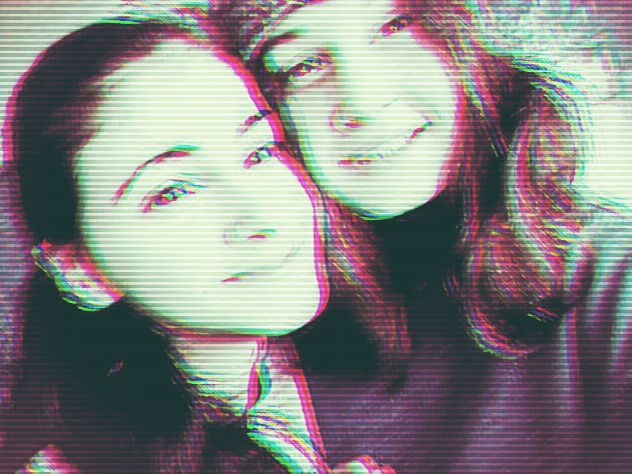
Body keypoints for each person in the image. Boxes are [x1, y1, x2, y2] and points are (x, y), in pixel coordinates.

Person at [208, 0, 632, 471]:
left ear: (469, 42)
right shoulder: (247, 337)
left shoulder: (612, 275)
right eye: (304, 66)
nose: (364, 103)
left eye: (397, 28)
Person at [0, 8, 401, 472]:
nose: (262, 215)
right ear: (81, 272)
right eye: (174, 192)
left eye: (260, 151)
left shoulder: (361, 355)